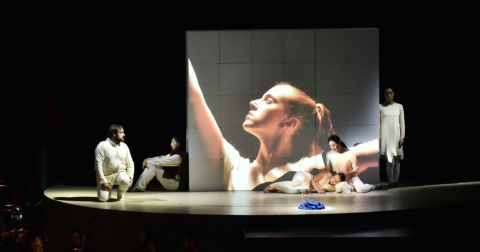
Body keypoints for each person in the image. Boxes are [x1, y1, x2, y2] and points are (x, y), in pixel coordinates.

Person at [189, 59, 378, 190]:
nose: (253, 101)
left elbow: (376, 149)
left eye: (268, 100)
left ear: (290, 123)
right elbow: (194, 96)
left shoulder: (313, 165)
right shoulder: (233, 167)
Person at [94, 124, 134, 201]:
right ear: (114, 134)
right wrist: (102, 181)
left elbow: (130, 163)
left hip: (120, 174)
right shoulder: (102, 146)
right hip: (106, 177)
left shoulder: (124, 146)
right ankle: (107, 191)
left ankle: (120, 194)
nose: (124, 135)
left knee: (125, 179)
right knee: (103, 199)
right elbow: (97, 165)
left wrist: (130, 176)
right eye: (121, 133)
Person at [379, 87, 405, 187]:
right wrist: (379, 137)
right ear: (384, 95)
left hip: (396, 136)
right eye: (386, 93)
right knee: (389, 161)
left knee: (397, 160)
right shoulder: (380, 107)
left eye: (390, 93)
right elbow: (379, 123)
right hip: (386, 137)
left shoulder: (399, 106)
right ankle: (391, 181)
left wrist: (402, 136)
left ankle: (396, 181)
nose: (388, 95)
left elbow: (402, 122)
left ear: (393, 94)